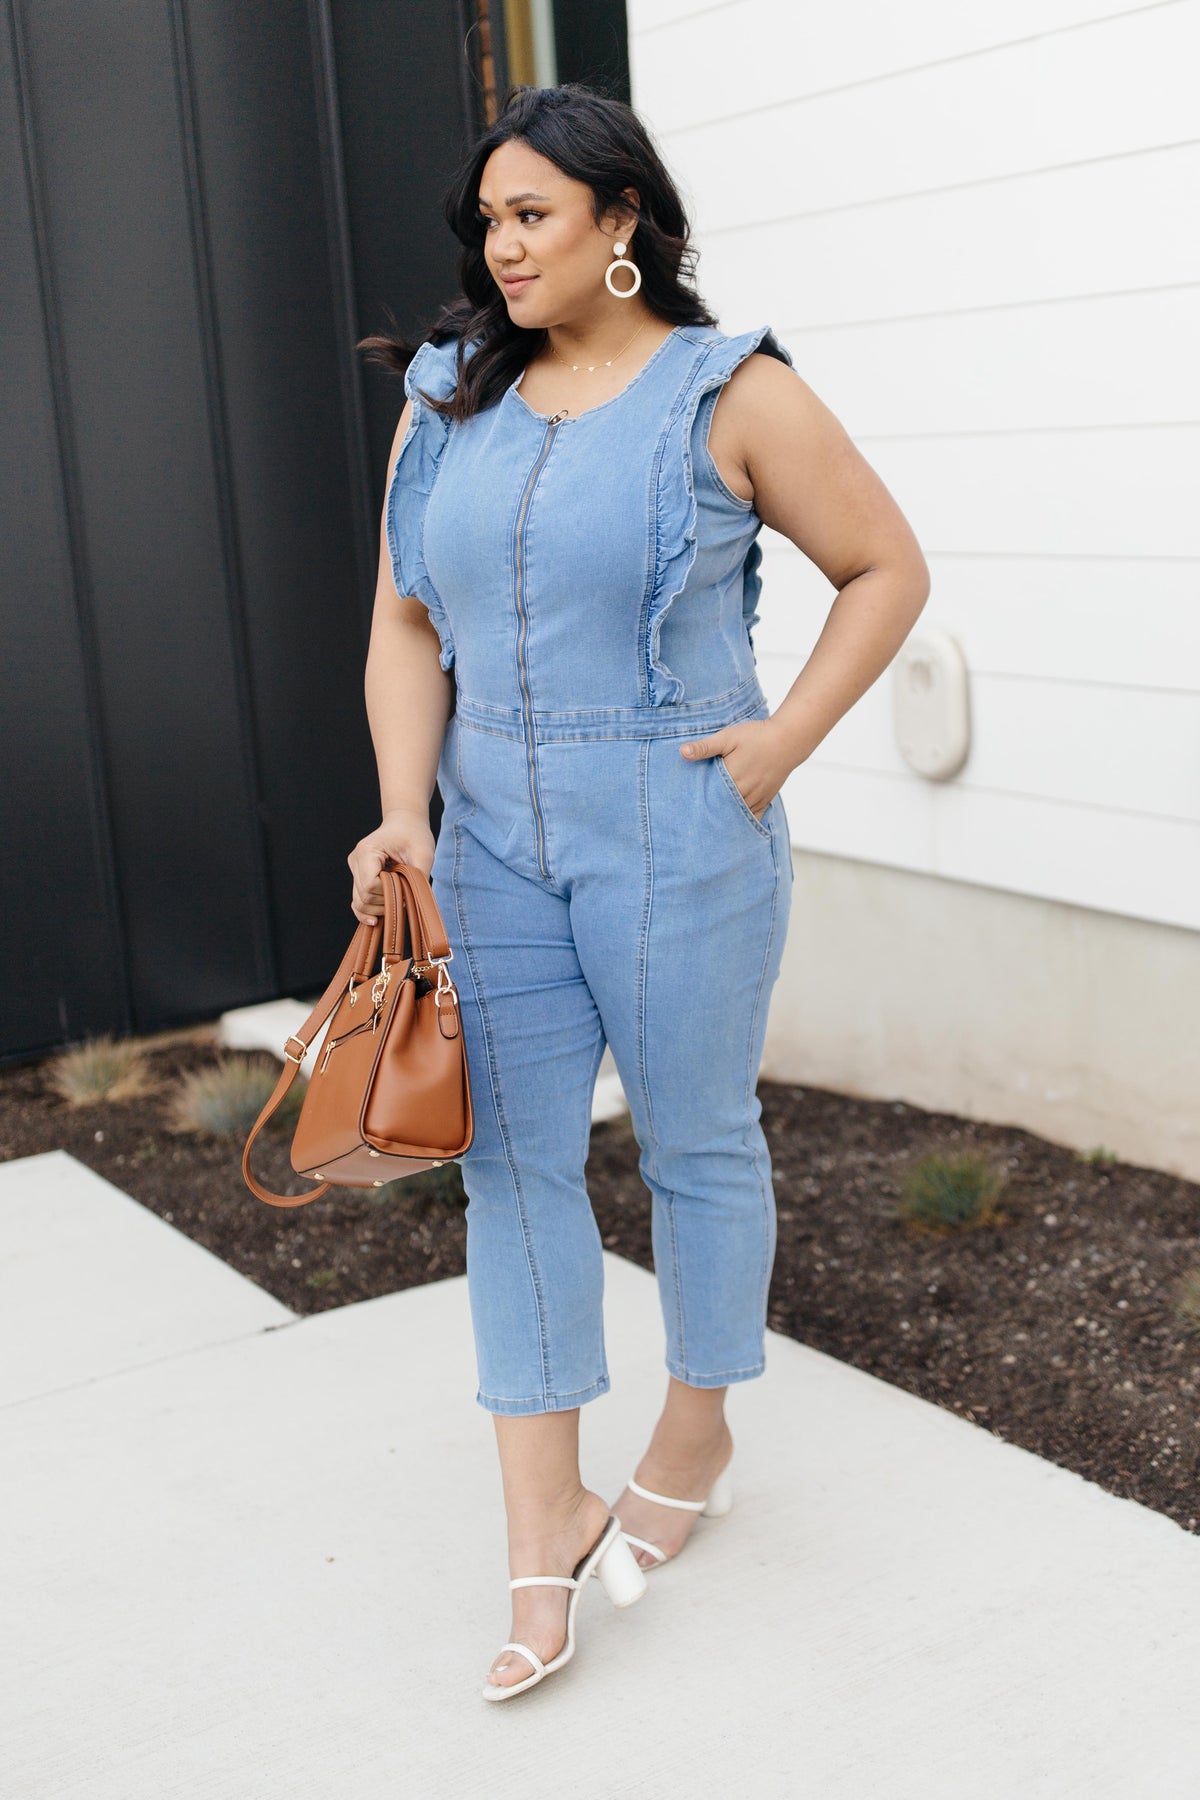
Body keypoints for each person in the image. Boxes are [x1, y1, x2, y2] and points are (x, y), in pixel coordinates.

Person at [349, 83, 930, 1701]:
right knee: (510, 1163)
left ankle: (695, 1429)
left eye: (533, 214)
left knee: (693, 1141)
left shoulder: (731, 391)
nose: (501, 245)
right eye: (487, 219)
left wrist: (779, 744)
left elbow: (886, 567)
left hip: (678, 823)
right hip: (488, 838)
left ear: (622, 221)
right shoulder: (449, 395)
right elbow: (406, 622)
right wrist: (403, 814)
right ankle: (542, 1524)